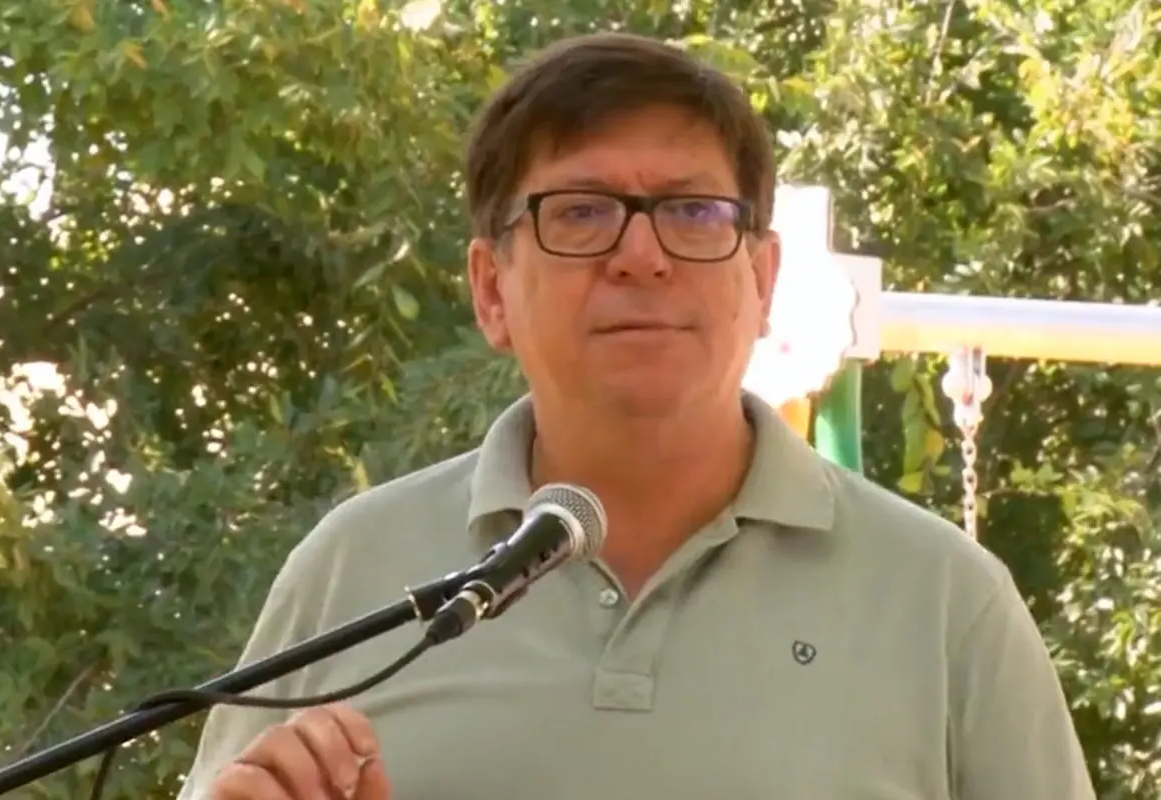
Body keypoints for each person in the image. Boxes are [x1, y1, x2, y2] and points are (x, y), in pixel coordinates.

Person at [178, 31, 1096, 800]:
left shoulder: (943, 602)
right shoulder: (353, 573)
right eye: (581, 212)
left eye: (694, 213)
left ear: (763, 279)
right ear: (491, 290)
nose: (643, 257)